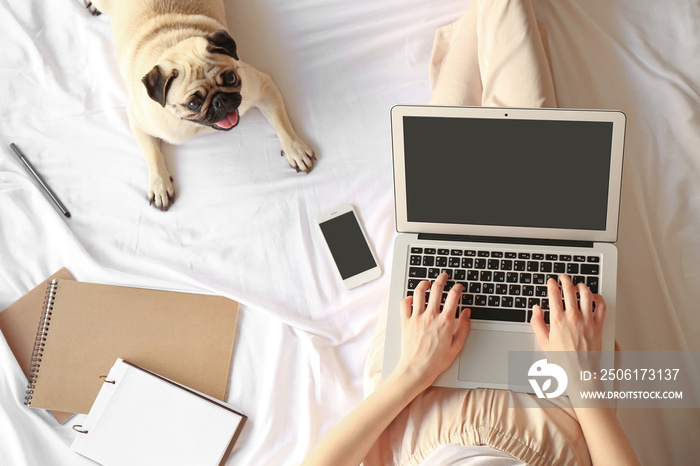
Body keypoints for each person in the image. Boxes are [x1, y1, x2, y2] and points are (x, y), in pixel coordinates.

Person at [301, 274, 640, 465]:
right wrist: (580, 379)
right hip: (559, 414)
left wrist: (413, 371)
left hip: (415, 405)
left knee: (437, 233)